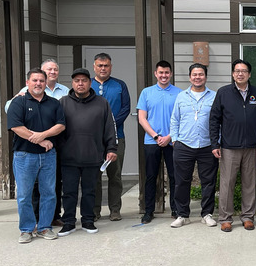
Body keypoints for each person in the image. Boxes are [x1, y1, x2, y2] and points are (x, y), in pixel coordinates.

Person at [5, 59, 69, 227]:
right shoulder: (18, 102)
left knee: (49, 193)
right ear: (27, 82)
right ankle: (26, 229)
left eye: (41, 80)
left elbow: (61, 125)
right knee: (25, 195)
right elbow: (16, 127)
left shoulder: (54, 103)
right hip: (24, 155)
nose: (38, 83)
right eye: (35, 80)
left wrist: (43, 135)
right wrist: (41, 141)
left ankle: (45, 227)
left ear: (45, 82)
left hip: (49, 156)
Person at [57, 68, 118, 237]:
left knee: (90, 190)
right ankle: (68, 222)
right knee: (69, 192)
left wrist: (111, 148)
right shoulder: (63, 102)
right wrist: (61, 150)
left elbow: (109, 128)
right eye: (77, 81)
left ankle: (88, 220)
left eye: (84, 80)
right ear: (72, 83)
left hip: (93, 156)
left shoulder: (102, 103)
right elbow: (56, 129)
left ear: (90, 83)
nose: (80, 83)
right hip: (69, 157)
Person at [209, 59, 256, 232]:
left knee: (249, 183)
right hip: (228, 147)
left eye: (243, 71)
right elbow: (214, 120)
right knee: (227, 184)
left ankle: (248, 216)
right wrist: (215, 143)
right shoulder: (223, 93)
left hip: (250, 146)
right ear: (233, 74)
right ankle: (225, 218)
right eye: (237, 71)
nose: (240, 73)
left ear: (249, 74)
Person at [170, 63, 218, 228]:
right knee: (181, 181)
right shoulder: (181, 96)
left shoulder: (214, 96)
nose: (198, 77)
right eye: (194, 74)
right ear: (190, 77)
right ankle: (182, 214)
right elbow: (174, 119)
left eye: (201, 74)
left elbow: (220, 120)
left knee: (208, 181)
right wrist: (175, 139)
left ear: (206, 76)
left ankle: (207, 213)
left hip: (207, 144)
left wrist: (217, 142)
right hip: (184, 144)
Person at [136, 60, 182, 224]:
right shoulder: (146, 93)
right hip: (151, 141)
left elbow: (181, 118)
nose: (164, 75)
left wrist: (169, 136)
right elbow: (142, 118)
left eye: (167, 72)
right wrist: (156, 136)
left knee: (174, 176)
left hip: (172, 141)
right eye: (161, 72)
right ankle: (149, 210)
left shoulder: (179, 93)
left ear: (171, 74)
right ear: (156, 74)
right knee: (151, 177)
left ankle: (176, 209)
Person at [91, 53, 130, 222]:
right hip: (92, 139)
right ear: (94, 67)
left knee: (115, 174)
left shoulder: (120, 85)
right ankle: (94, 211)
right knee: (94, 176)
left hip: (116, 137)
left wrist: (110, 125)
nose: (103, 68)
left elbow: (126, 108)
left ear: (111, 67)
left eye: (106, 65)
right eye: (100, 65)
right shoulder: (87, 84)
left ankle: (115, 209)